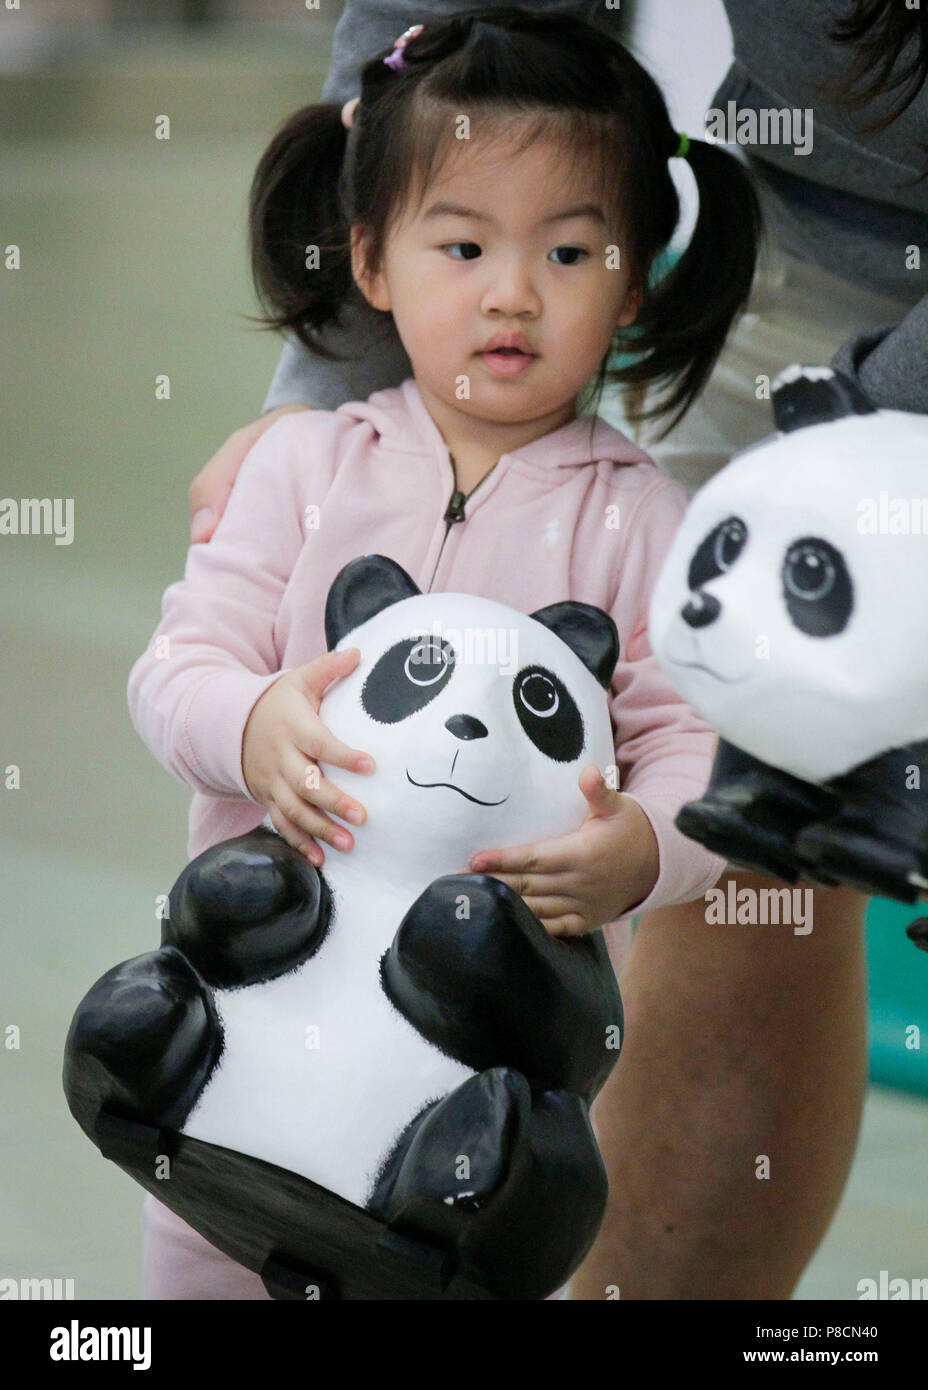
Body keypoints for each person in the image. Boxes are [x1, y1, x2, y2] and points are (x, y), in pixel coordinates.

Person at [128, 6, 767, 1298]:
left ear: (636, 278)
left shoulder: (644, 524)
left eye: (572, 251)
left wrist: (645, 845)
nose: (512, 292)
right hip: (252, 1035)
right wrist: (251, 723)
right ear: (371, 259)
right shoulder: (303, 469)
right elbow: (178, 665)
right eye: (462, 243)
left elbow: (701, 753)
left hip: (468, 1090)